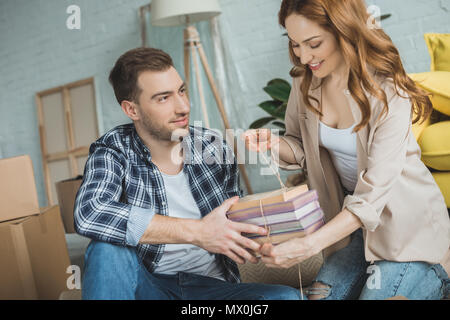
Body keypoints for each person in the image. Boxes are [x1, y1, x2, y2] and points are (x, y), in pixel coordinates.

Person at [243, 0, 450, 300]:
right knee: (319, 296)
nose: (303, 56)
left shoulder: (388, 91)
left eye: (313, 43)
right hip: (354, 233)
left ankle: (438, 274)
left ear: (344, 31)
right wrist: (275, 144)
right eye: (295, 44)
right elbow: (299, 147)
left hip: (407, 234)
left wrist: (308, 245)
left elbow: (370, 197)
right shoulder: (304, 84)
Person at [74, 47, 301, 300]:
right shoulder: (113, 149)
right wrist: (198, 232)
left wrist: (277, 228)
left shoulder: (212, 145)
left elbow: (233, 219)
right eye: (163, 98)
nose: (182, 107)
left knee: (285, 298)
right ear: (132, 110)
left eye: (181, 91)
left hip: (210, 290)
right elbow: (90, 213)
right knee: (106, 248)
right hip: (150, 288)